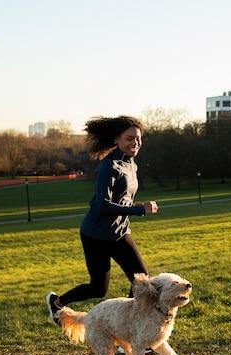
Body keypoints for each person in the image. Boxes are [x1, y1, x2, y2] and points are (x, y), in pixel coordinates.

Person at [46, 115, 159, 326]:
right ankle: (57, 302)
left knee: (141, 282)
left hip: (120, 232)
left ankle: (131, 331)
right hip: (96, 235)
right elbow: (103, 205)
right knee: (98, 288)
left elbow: (122, 199)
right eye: (130, 138)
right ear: (117, 139)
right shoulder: (108, 167)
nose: (135, 143)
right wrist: (139, 210)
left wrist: (134, 209)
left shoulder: (131, 164)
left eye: (138, 139)